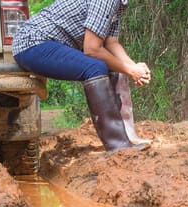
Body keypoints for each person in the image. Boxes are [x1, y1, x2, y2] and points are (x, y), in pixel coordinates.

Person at [12, 0, 151, 152]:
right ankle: (118, 146)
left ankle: (128, 136)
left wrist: (134, 67)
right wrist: (131, 70)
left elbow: (111, 43)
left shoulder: (119, 4)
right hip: (32, 43)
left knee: (113, 66)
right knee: (96, 67)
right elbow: (92, 49)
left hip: (48, 43)